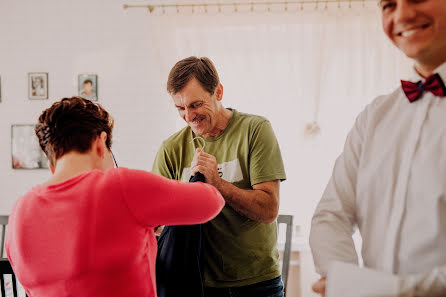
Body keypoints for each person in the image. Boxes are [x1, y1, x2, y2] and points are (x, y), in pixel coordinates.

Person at [5, 96, 225, 297]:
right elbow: (210, 202)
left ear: (51, 162)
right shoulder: (121, 187)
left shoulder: (19, 212)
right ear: (101, 144)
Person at [310, 0, 446, 296]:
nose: (402, 15)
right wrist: (344, 280)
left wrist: (384, 290)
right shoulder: (374, 116)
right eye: (388, 5)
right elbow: (331, 214)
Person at [152, 56, 286, 297]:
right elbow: (155, 221)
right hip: (198, 286)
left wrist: (218, 184)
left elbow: (269, 210)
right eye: (180, 108)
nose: (189, 116)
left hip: (257, 285)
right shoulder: (171, 149)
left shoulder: (255, 130)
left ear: (219, 91)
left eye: (196, 105)